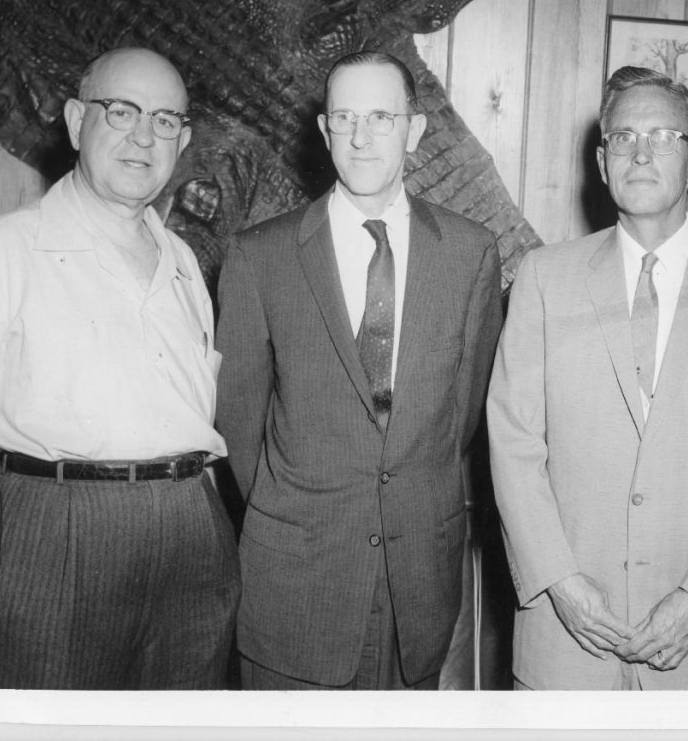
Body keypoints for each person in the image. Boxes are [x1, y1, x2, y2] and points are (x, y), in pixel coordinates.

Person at [0, 47, 239, 690]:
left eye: (166, 120)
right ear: (74, 121)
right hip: (55, 534)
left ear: (184, 141)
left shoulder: (184, 264)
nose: (144, 135)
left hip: (191, 536)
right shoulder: (6, 247)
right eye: (121, 110)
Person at [486, 65, 688, 690]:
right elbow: (514, 443)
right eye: (623, 138)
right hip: (564, 640)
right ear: (602, 163)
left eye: (663, 137)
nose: (641, 153)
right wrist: (559, 583)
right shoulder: (545, 278)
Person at [215, 50, 502, 691]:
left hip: (418, 591)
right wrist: (296, 507)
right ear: (323, 131)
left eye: (381, 117)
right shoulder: (260, 256)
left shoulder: (469, 252)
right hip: (296, 585)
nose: (361, 136)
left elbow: (462, 415)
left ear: (415, 130)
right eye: (344, 118)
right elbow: (237, 420)